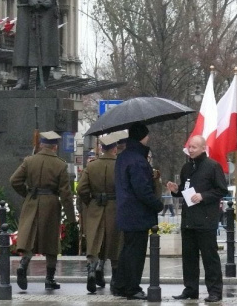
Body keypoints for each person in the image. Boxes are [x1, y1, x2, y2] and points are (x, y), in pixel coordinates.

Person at [10, 131, 76, 291]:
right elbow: (66, 194)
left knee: (30, 237)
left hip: (32, 202)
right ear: (55, 146)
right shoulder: (60, 164)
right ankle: (49, 279)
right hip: (51, 204)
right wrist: (71, 218)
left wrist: (27, 193)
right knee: (51, 242)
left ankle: (23, 265)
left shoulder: (29, 161)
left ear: (41, 145)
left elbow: (14, 180)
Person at [167, 135, 227, 303]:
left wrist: (203, 196)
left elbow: (222, 190)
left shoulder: (213, 166)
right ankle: (190, 289)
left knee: (210, 257)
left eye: (194, 147)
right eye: (189, 147)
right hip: (188, 220)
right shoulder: (186, 167)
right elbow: (185, 191)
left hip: (206, 219)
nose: (191, 150)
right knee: (189, 257)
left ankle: (215, 291)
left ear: (203, 148)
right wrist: (175, 190)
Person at [112, 122, 163, 300]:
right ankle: (132, 287)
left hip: (126, 212)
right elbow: (142, 190)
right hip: (137, 213)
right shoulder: (137, 160)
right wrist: (157, 204)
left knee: (127, 250)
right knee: (136, 253)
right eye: (147, 135)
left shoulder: (124, 156)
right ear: (143, 137)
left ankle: (120, 285)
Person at [77, 132, 123, 294]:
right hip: (115, 206)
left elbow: (81, 188)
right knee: (115, 242)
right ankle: (116, 279)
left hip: (95, 206)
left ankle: (91, 269)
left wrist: (90, 201)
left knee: (95, 240)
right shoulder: (119, 165)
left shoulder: (91, 165)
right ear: (114, 149)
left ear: (101, 148)